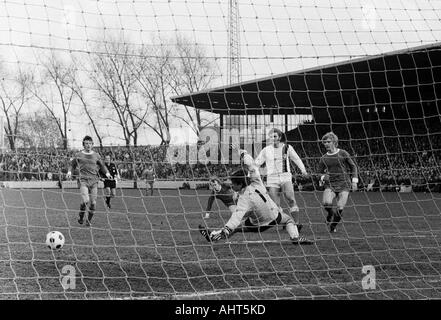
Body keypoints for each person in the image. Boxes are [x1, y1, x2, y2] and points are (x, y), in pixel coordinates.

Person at [199, 169, 313, 245]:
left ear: (240, 184)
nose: (231, 185)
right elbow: (252, 166)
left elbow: (236, 217)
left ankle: (214, 236)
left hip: (259, 224)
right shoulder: (257, 182)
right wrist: (243, 154)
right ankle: (295, 238)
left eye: (233, 183)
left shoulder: (243, 200)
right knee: (288, 219)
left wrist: (227, 229)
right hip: (275, 216)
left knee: (237, 227)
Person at [255, 128, 308, 228]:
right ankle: (287, 221)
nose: (272, 138)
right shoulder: (266, 150)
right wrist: (251, 174)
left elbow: (296, 158)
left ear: (279, 137)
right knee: (275, 205)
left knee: (290, 198)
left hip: (285, 176)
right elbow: (257, 163)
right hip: (272, 179)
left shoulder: (287, 147)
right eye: (270, 137)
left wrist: (303, 170)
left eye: (274, 136)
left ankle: (296, 223)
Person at [317, 132, 358, 233]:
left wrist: (354, 181)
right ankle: (330, 214)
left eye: (328, 141)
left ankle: (333, 226)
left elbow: (353, 166)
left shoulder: (343, 153)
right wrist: (323, 177)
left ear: (334, 142)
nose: (326, 144)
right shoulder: (323, 158)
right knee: (326, 203)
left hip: (344, 183)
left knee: (340, 208)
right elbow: (318, 173)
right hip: (330, 184)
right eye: (324, 142)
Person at [66, 136, 111, 226]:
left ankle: (89, 221)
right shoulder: (79, 155)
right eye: (86, 143)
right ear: (83, 144)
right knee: (86, 200)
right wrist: (69, 172)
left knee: (93, 204)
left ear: (92, 145)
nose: (88, 145)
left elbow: (102, 166)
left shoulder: (96, 155)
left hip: (94, 181)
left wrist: (107, 174)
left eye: (90, 143)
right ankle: (81, 216)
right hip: (83, 180)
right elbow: (72, 164)